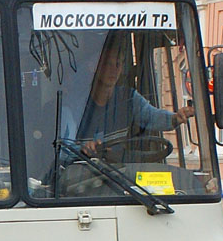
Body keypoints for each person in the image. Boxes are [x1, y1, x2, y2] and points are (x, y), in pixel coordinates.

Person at [60, 36, 193, 157]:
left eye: (118, 64)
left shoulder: (128, 98)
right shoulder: (74, 106)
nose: (114, 70)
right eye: (108, 64)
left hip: (120, 175)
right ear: (94, 67)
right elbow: (63, 151)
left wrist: (175, 118)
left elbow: (151, 117)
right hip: (80, 177)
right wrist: (83, 149)